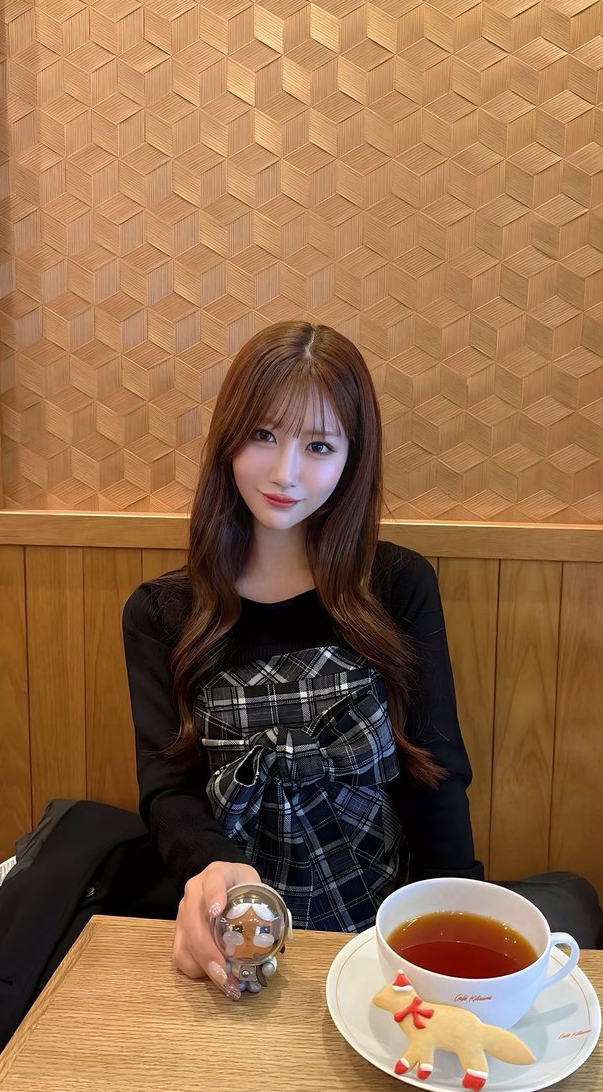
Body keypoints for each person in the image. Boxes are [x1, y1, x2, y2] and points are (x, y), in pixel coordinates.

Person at [122, 320, 483, 1001]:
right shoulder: (160, 612)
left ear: (352, 457)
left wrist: (457, 932)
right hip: (233, 927)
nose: (285, 472)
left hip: (381, 927)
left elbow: (436, 775)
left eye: (318, 445)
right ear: (228, 440)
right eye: (263, 435)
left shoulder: (398, 585)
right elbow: (167, 789)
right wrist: (214, 877)